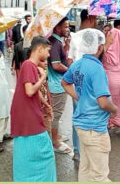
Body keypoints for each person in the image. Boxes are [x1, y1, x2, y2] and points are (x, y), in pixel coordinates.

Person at [61, 29, 118, 182]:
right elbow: (103, 102)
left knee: (86, 169)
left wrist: (79, 97)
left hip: (81, 126)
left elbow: (65, 82)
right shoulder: (97, 69)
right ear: (99, 47)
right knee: (100, 175)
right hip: (95, 129)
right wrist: (115, 109)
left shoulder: (77, 64)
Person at [10, 37, 56, 182]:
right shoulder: (29, 65)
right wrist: (43, 77)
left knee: (28, 154)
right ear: (40, 49)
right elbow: (30, 90)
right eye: (48, 51)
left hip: (25, 113)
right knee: (45, 153)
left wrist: (46, 105)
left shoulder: (28, 65)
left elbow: (33, 92)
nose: (49, 55)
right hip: (27, 115)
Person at [67, 9, 100, 161]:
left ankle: (77, 151)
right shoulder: (96, 37)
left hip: (77, 82)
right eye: (96, 18)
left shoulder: (74, 37)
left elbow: (69, 61)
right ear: (91, 18)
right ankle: (88, 151)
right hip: (92, 82)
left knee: (78, 116)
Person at [47, 17, 72, 154]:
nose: (67, 29)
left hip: (54, 83)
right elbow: (56, 65)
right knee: (55, 115)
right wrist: (70, 71)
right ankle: (55, 143)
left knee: (54, 114)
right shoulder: (55, 43)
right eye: (65, 27)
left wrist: (66, 46)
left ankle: (55, 136)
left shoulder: (56, 42)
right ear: (57, 28)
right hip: (57, 85)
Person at [103, 27, 120, 139]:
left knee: (110, 102)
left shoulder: (107, 50)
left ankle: (110, 122)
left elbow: (101, 60)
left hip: (108, 78)